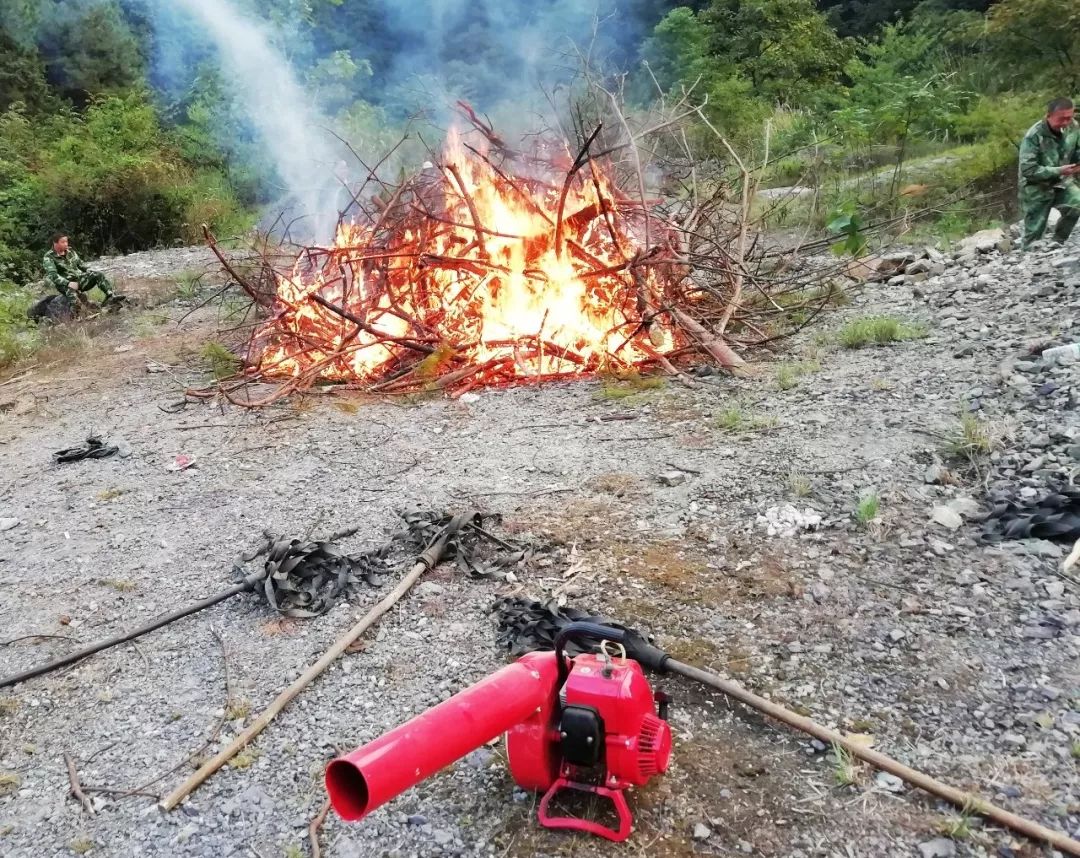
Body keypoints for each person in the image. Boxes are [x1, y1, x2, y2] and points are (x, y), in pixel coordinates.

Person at [1019, 97, 1080, 250]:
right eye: (1061, 119)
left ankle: (1057, 243)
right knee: (1033, 237)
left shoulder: (1073, 127)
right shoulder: (1033, 136)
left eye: (1069, 118)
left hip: (1062, 182)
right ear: (1048, 115)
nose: (1066, 122)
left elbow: (1076, 152)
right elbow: (1028, 170)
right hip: (1036, 187)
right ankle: (1028, 262)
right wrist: (1059, 170)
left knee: (1077, 203)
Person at [42, 233, 118, 308]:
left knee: (98, 274)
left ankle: (110, 297)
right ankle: (76, 315)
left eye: (66, 241)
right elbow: (53, 275)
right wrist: (68, 283)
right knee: (73, 298)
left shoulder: (70, 251)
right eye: (63, 242)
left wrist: (89, 271)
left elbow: (81, 265)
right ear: (55, 243)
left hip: (79, 279)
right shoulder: (49, 257)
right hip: (65, 284)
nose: (66, 244)